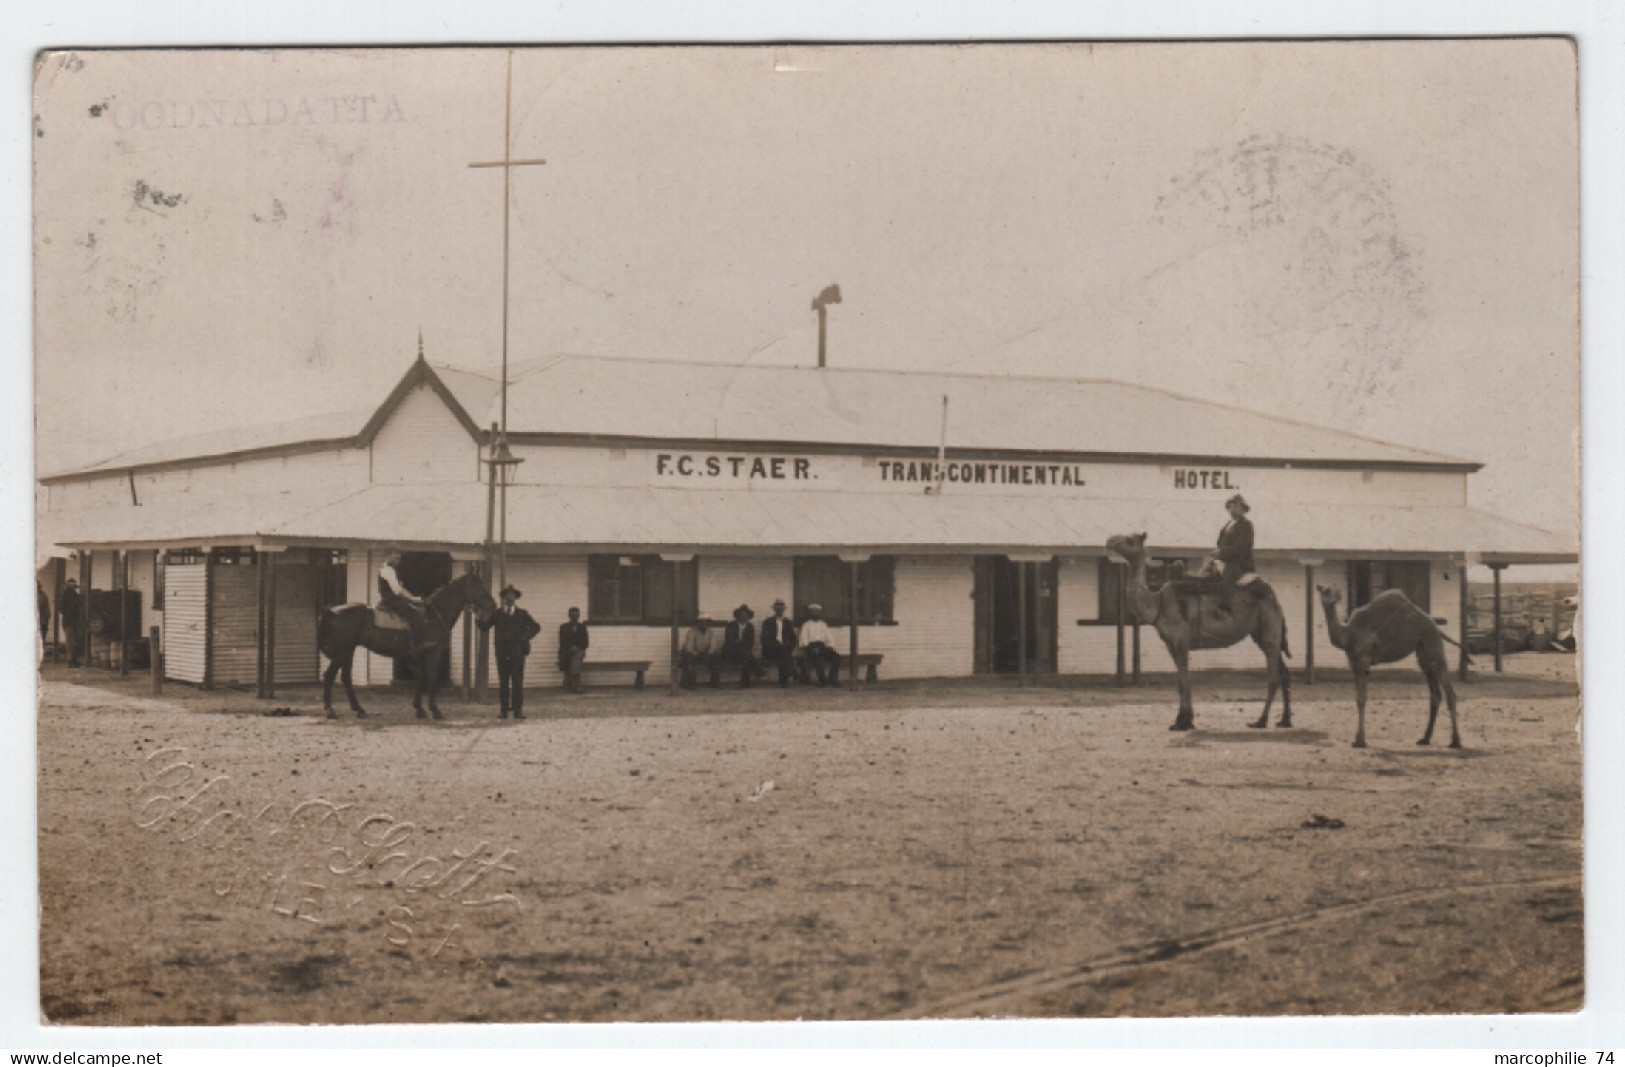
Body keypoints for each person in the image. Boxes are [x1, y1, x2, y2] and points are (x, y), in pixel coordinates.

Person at [478, 584, 541, 719]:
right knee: (504, 682)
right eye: (507, 596)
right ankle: (504, 711)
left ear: (515, 599)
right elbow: (485, 627)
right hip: (502, 653)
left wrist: (524, 638)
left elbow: (536, 627)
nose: (510, 598)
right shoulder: (498, 614)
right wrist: (478, 616)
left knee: (517, 682)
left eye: (512, 596)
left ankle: (518, 711)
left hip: (517, 653)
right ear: (504, 598)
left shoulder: (522, 614)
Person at [1210, 494, 1256, 616]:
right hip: (1224, 561)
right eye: (1231, 506)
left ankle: (1225, 610)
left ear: (1242, 509)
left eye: (1235, 506)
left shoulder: (1246, 525)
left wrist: (1221, 553)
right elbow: (1220, 543)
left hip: (1239, 563)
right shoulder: (1228, 525)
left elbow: (1241, 548)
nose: (1232, 509)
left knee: (1226, 581)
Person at [797, 603, 841, 687]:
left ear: (819, 613)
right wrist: (810, 648)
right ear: (809, 613)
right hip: (811, 647)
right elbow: (803, 639)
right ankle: (823, 681)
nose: (815, 614)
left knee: (836, 657)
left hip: (822, 647)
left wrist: (830, 647)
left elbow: (829, 637)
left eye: (817, 612)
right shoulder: (806, 625)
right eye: (813, 612)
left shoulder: (823, 624)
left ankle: (832, 680)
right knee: (818, 658)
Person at [760, 598, 798, 688]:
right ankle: (791, 675)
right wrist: (773, 644)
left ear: (784, 610)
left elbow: (793, 638)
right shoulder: (768, 622)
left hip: (784, 649)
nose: (779, 611)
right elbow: (763, 638)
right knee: (784, 655)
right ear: (774, 610)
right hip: (771, 649)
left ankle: (785, 679)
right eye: (777, 609)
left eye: (781, 609)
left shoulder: (787, 622)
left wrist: (789, 648)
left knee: (784, 653)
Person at [678, 617, 725, 689]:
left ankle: (714, 683)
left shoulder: (710, 632)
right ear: (698, 623)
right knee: (690, 662)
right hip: (691, 653)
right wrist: (697, 654)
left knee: (716, 660)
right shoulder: (692, 631)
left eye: (706, 622)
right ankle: (691, 684)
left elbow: (713, 645)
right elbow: (689, 647)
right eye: (702, 622)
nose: (704, 624)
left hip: (704, 653)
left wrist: (709, 654)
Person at [721, 605, 760, 689]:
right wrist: (741, 644)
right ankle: (755, 674)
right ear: (737, 615)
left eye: (745, 615)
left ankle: (745, 682)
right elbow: (729, 640)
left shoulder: (750, 626)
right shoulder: (731, 625)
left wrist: (743, 645)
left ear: (748, 616)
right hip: (730, 651)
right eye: (741, 614)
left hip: (743, 651)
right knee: (747, 657)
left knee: (746, 657)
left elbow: (750, 641)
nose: (743, 616)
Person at [558, 606, 590, 694]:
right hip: (567, 651)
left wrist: (576, 647)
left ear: (579, 616)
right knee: (571, 659)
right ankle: (571, 683)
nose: (574, 617)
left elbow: (586, 642)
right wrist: (570, 648)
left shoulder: (582, 627)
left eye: (576, 615)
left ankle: (577, 685)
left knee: (576, 658)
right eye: (572, 615)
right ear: (569, 615)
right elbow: (562, 641)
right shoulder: (563, 627)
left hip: (579, 651)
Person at [58, 577, 83, 667]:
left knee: (72, 641)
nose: (74, 585)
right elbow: (69, 607)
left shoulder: (68, 593)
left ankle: (72, 660)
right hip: (70, 621)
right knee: (71, 642)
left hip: (69, 620)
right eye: (72, 583)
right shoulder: (69, 594)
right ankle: (71, 661)